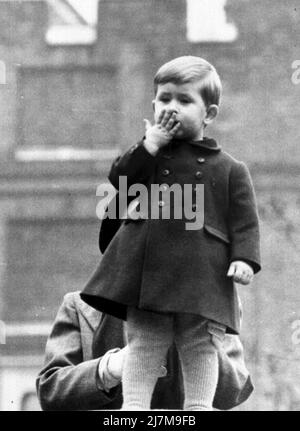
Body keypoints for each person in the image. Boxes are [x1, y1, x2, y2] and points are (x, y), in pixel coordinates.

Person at [80, 56, 261, 411]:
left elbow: (245, 222)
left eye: (184, 100)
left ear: (208, 114)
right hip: (150, 274)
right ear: (153, 106)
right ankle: (133, 408)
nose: (172, 108)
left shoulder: (230, 169)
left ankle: (198, 407)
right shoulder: (147, 157)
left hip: (201, 277)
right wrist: (149, 144)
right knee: (144, 340)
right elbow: (118, 185)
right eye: (164, 99)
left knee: (200, 344)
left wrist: (244, 259)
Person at [36, 291, 254, 411]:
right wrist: (111, 368)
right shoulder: (80, 305)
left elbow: (235, 392)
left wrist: (207, 346)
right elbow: (50, 390)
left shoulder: (212, 303)